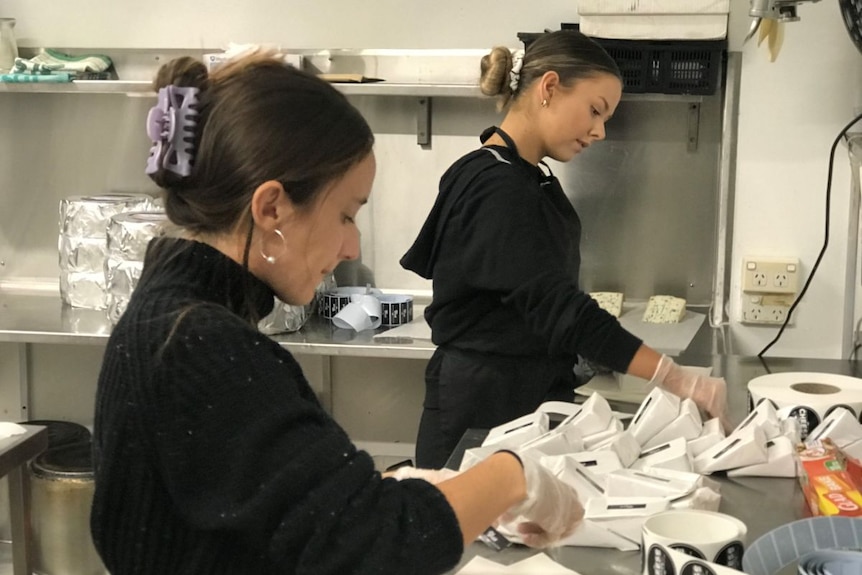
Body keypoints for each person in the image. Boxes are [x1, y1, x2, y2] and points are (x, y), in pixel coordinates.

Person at [90, 53, 586, 575]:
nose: (352, 247)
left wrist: (388, 488)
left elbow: (265, 508)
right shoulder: (204, 344)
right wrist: (512, 475)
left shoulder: (173, 312)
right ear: (272, 208)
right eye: (346, 215)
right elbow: (382, 546)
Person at [401, 30, 730, 469]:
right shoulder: (497, 186)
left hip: (518, 394)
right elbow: (556, 306)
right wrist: (677, 379)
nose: (599, 131)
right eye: (595, 111)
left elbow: (533, 300)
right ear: (549, 88)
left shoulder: (524, 175)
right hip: (485, 407)